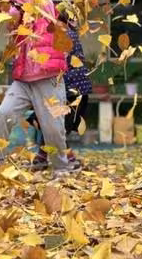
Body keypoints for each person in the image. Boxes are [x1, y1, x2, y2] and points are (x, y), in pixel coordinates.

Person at [0, 0, 76, 173]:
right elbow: (7, 14)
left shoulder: (49, 8)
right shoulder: (19, 14)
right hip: (23, 82)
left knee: (53, 128)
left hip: (49, 79)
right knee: (3, 115)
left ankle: (61, 168)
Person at [29, 13, 92, 171]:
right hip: (75, 87)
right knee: (51, 122)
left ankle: (67, 158)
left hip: (70, 88)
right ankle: (42, 157)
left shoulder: (63, 35)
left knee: (56, 125)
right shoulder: (69, 33)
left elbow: (55, 60)